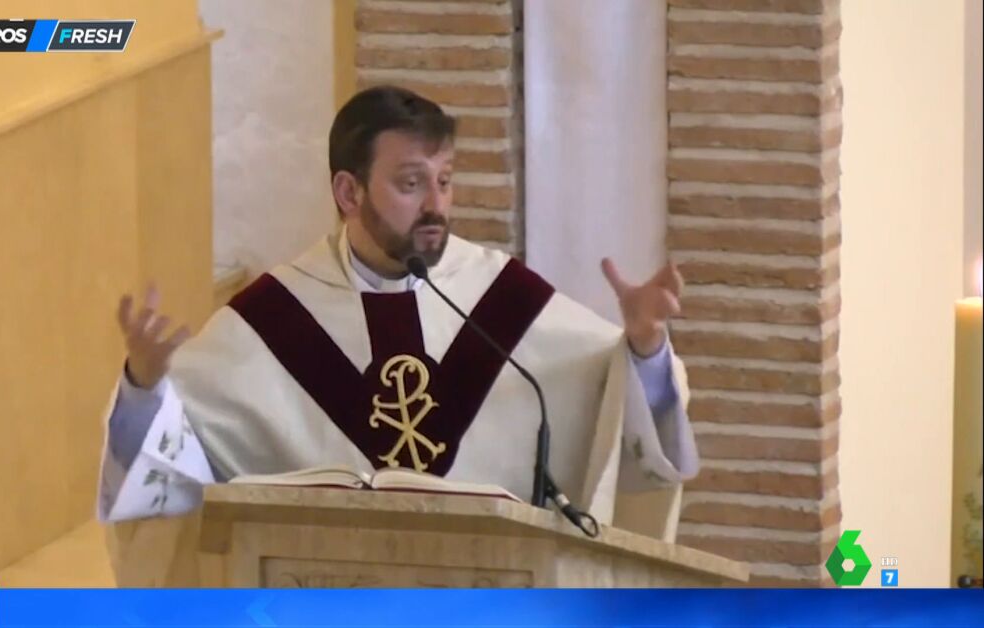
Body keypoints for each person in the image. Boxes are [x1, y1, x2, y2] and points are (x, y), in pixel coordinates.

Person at [97, 85, 698, 541]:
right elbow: (172, 471)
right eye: (411, 184)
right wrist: (144, 389)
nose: (436, 205)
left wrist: (645, 348)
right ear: (348, 193)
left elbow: (616, 404)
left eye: (445, 180)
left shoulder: (503, 300)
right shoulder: (271, 320)